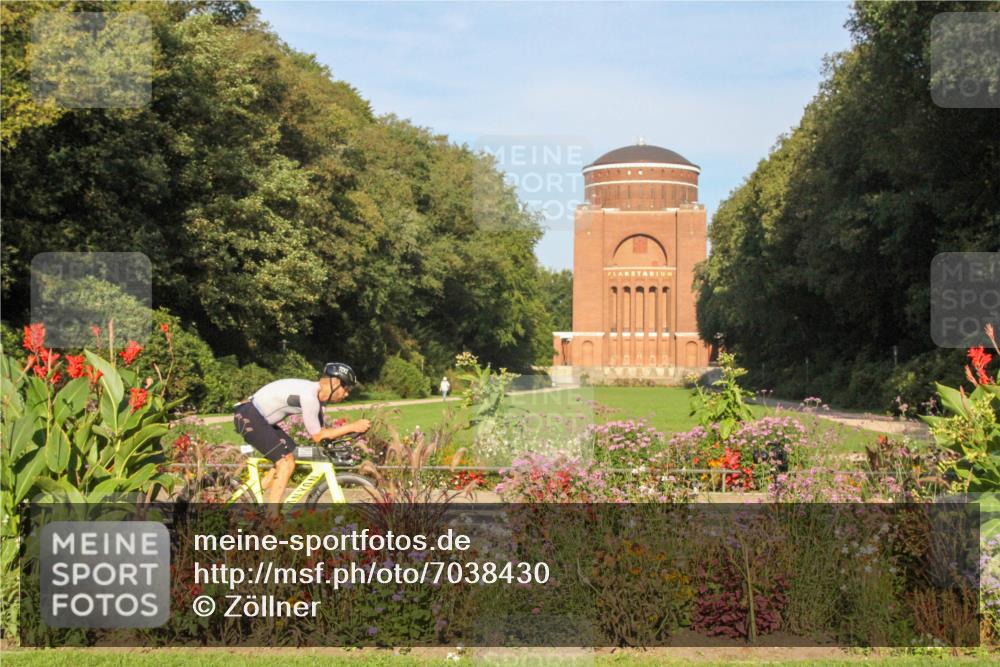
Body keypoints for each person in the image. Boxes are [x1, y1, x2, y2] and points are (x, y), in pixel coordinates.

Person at [234, 362, 370, 507]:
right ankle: (271, 519)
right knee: (285, 462)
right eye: (346, 387)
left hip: (255, 417)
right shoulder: (310, 397)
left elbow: (323, 435)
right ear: (334, 383)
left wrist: (348, 433)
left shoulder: (318, 399)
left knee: (291, 454)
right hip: (249, 415)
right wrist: (353, 426)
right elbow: (318, 436)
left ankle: (253, 498)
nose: (347, 393)